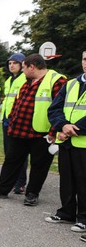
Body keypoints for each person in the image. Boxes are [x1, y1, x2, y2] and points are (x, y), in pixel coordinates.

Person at [0, 54, 67, 206]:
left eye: (24, 67)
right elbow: (18, 102)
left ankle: (32, 194)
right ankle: (2, 189)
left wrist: (54, 131)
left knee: (39, 165)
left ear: (32, 67)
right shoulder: (27, 81)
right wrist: (12, 119)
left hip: (42, 133)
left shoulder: (57, 81)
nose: (23, 70)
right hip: (19, 130)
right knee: (11, 160)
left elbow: (61, 108)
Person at [44, 50, 86, 236]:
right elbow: (54, 108)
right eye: (85, 59)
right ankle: (67, 212)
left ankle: (84, 218)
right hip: (67, 142)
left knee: (84, 181)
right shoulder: (70, 84)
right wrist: (63, 125)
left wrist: (73, 129)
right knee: (67, 179)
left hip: (82, 141)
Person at [2, 53, 29, 194]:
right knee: (9, 154)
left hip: (18, 121)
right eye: (10, 63)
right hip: (7, 121)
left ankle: (20, 183)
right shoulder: (8, 80)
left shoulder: (25, 79)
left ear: (22, 64)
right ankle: (11, 182)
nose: (11, 65)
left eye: (15, 63)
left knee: (19, 153)